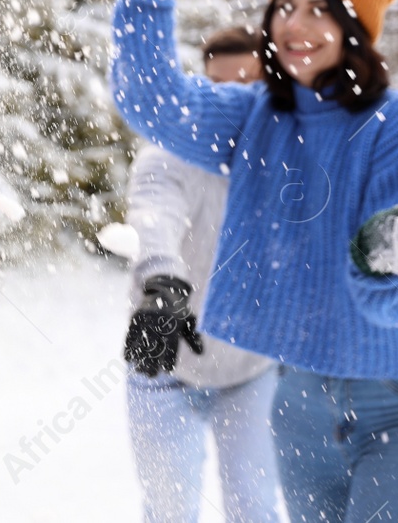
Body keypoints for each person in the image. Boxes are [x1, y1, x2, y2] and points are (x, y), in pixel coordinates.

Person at [104, 0, 398, 523]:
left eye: (319, 11)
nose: (293, 26)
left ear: (356, 29)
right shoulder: (257, 116)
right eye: (284, 7)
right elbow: (153, 103)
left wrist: (391, 260)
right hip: (301, 398)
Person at [122, 26, 280, 523]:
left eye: (247, 86)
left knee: (253, 507)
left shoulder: (286, 161)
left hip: (250, 370)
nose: (232, 100)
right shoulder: (169, 153)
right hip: (165, 363)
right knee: (170, 511)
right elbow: (153, 218)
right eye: (218, 87)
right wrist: (163, 282)